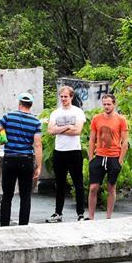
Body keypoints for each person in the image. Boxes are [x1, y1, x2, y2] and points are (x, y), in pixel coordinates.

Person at [0, 92, 42, 226]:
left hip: (10, 159)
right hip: (26, 160)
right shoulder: (36, 122)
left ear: (19, 104)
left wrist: (0, 137)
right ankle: (23, 226)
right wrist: (39, 166)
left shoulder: (9, 116)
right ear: (30, 105)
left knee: (7, 195)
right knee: (25, 196)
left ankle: (4, 226)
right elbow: (37, 145)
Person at [45, 85, 87, 222]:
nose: (63, 99)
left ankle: (80, 213)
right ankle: (58, 213)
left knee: (78, 183)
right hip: (59, 151)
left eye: (66, 96)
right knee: (60, 183)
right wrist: (68, 126)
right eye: (62, 96)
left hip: (74, 151)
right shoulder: (55, 113)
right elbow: (50, 131)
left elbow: (77, 131)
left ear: (71, 97)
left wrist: (59, 129)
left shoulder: (78, 112)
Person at [86, 93, 128, 220]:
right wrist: (91, 158)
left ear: (114, 104)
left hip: (114, 157)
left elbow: (125, 141)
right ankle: (91, 217)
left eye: (109, 104)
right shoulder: (96, 119)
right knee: (93, 187)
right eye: (104, 104)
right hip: (99, 157)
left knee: (111, 187)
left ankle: (108, 217)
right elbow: (92, 139)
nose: (106, 106)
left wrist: (120, 160)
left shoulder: (121, 120)